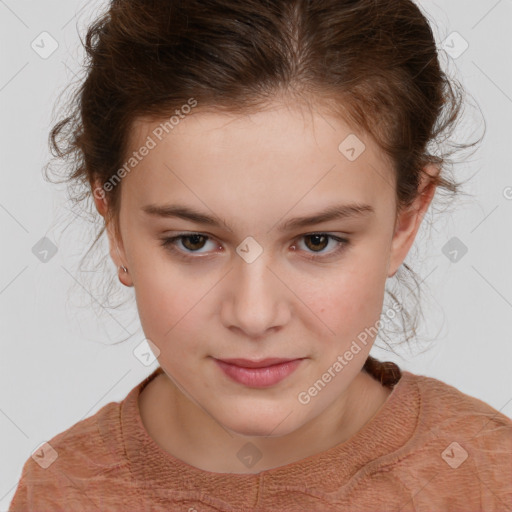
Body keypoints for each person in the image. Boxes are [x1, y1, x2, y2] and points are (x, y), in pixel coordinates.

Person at [9, 0, 512, 510]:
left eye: (318, 241)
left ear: (405, 221)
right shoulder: (63, 490)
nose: (254, 315)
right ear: (113, 222)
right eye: (194, 241)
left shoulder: (492, 477)